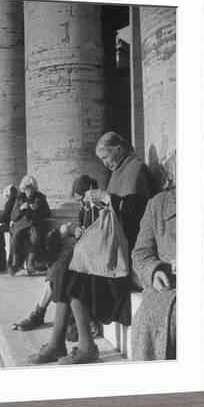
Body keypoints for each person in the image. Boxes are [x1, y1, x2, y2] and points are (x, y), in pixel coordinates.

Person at [27, 131, 151, 365]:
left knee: (73, 273)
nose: (105, 163)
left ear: (119, 147)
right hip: (109, 243)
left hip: (123, 249)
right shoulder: (118, 172)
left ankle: (81, 346)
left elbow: (137, 214)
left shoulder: (137, 169)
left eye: (105, 156)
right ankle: (60, 344)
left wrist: (106, 198)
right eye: (102, 159)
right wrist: (100, 203)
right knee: (65, 268)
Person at [12, 175, 99, 331]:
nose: (81, 204)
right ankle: (38, 313)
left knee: (58, 270)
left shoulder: (98, 208)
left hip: (92, 255)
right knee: (56, 270)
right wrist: (78, 231)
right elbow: (12, 216)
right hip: (82, 250)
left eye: (82, 199)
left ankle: (39, 315)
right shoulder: (85, 209)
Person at [131, 152, 177, 361]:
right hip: (167, 287)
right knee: (146, 324)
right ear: (172, 176)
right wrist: (155, 270)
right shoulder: (157, 205)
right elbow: (141, 252)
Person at [8, 175, 51, 276]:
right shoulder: (19, 198)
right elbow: (13, 217)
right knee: (17, 235)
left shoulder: (40, 197)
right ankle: (15, 266)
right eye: (27, 188)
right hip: (21, 225)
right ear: (23, 188)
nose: (29, 191)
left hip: (35, 224)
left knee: (35, 235)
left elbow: (48, 213)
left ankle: (31, 265)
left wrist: (38, 209)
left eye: (32, 188)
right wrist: (20, 209)